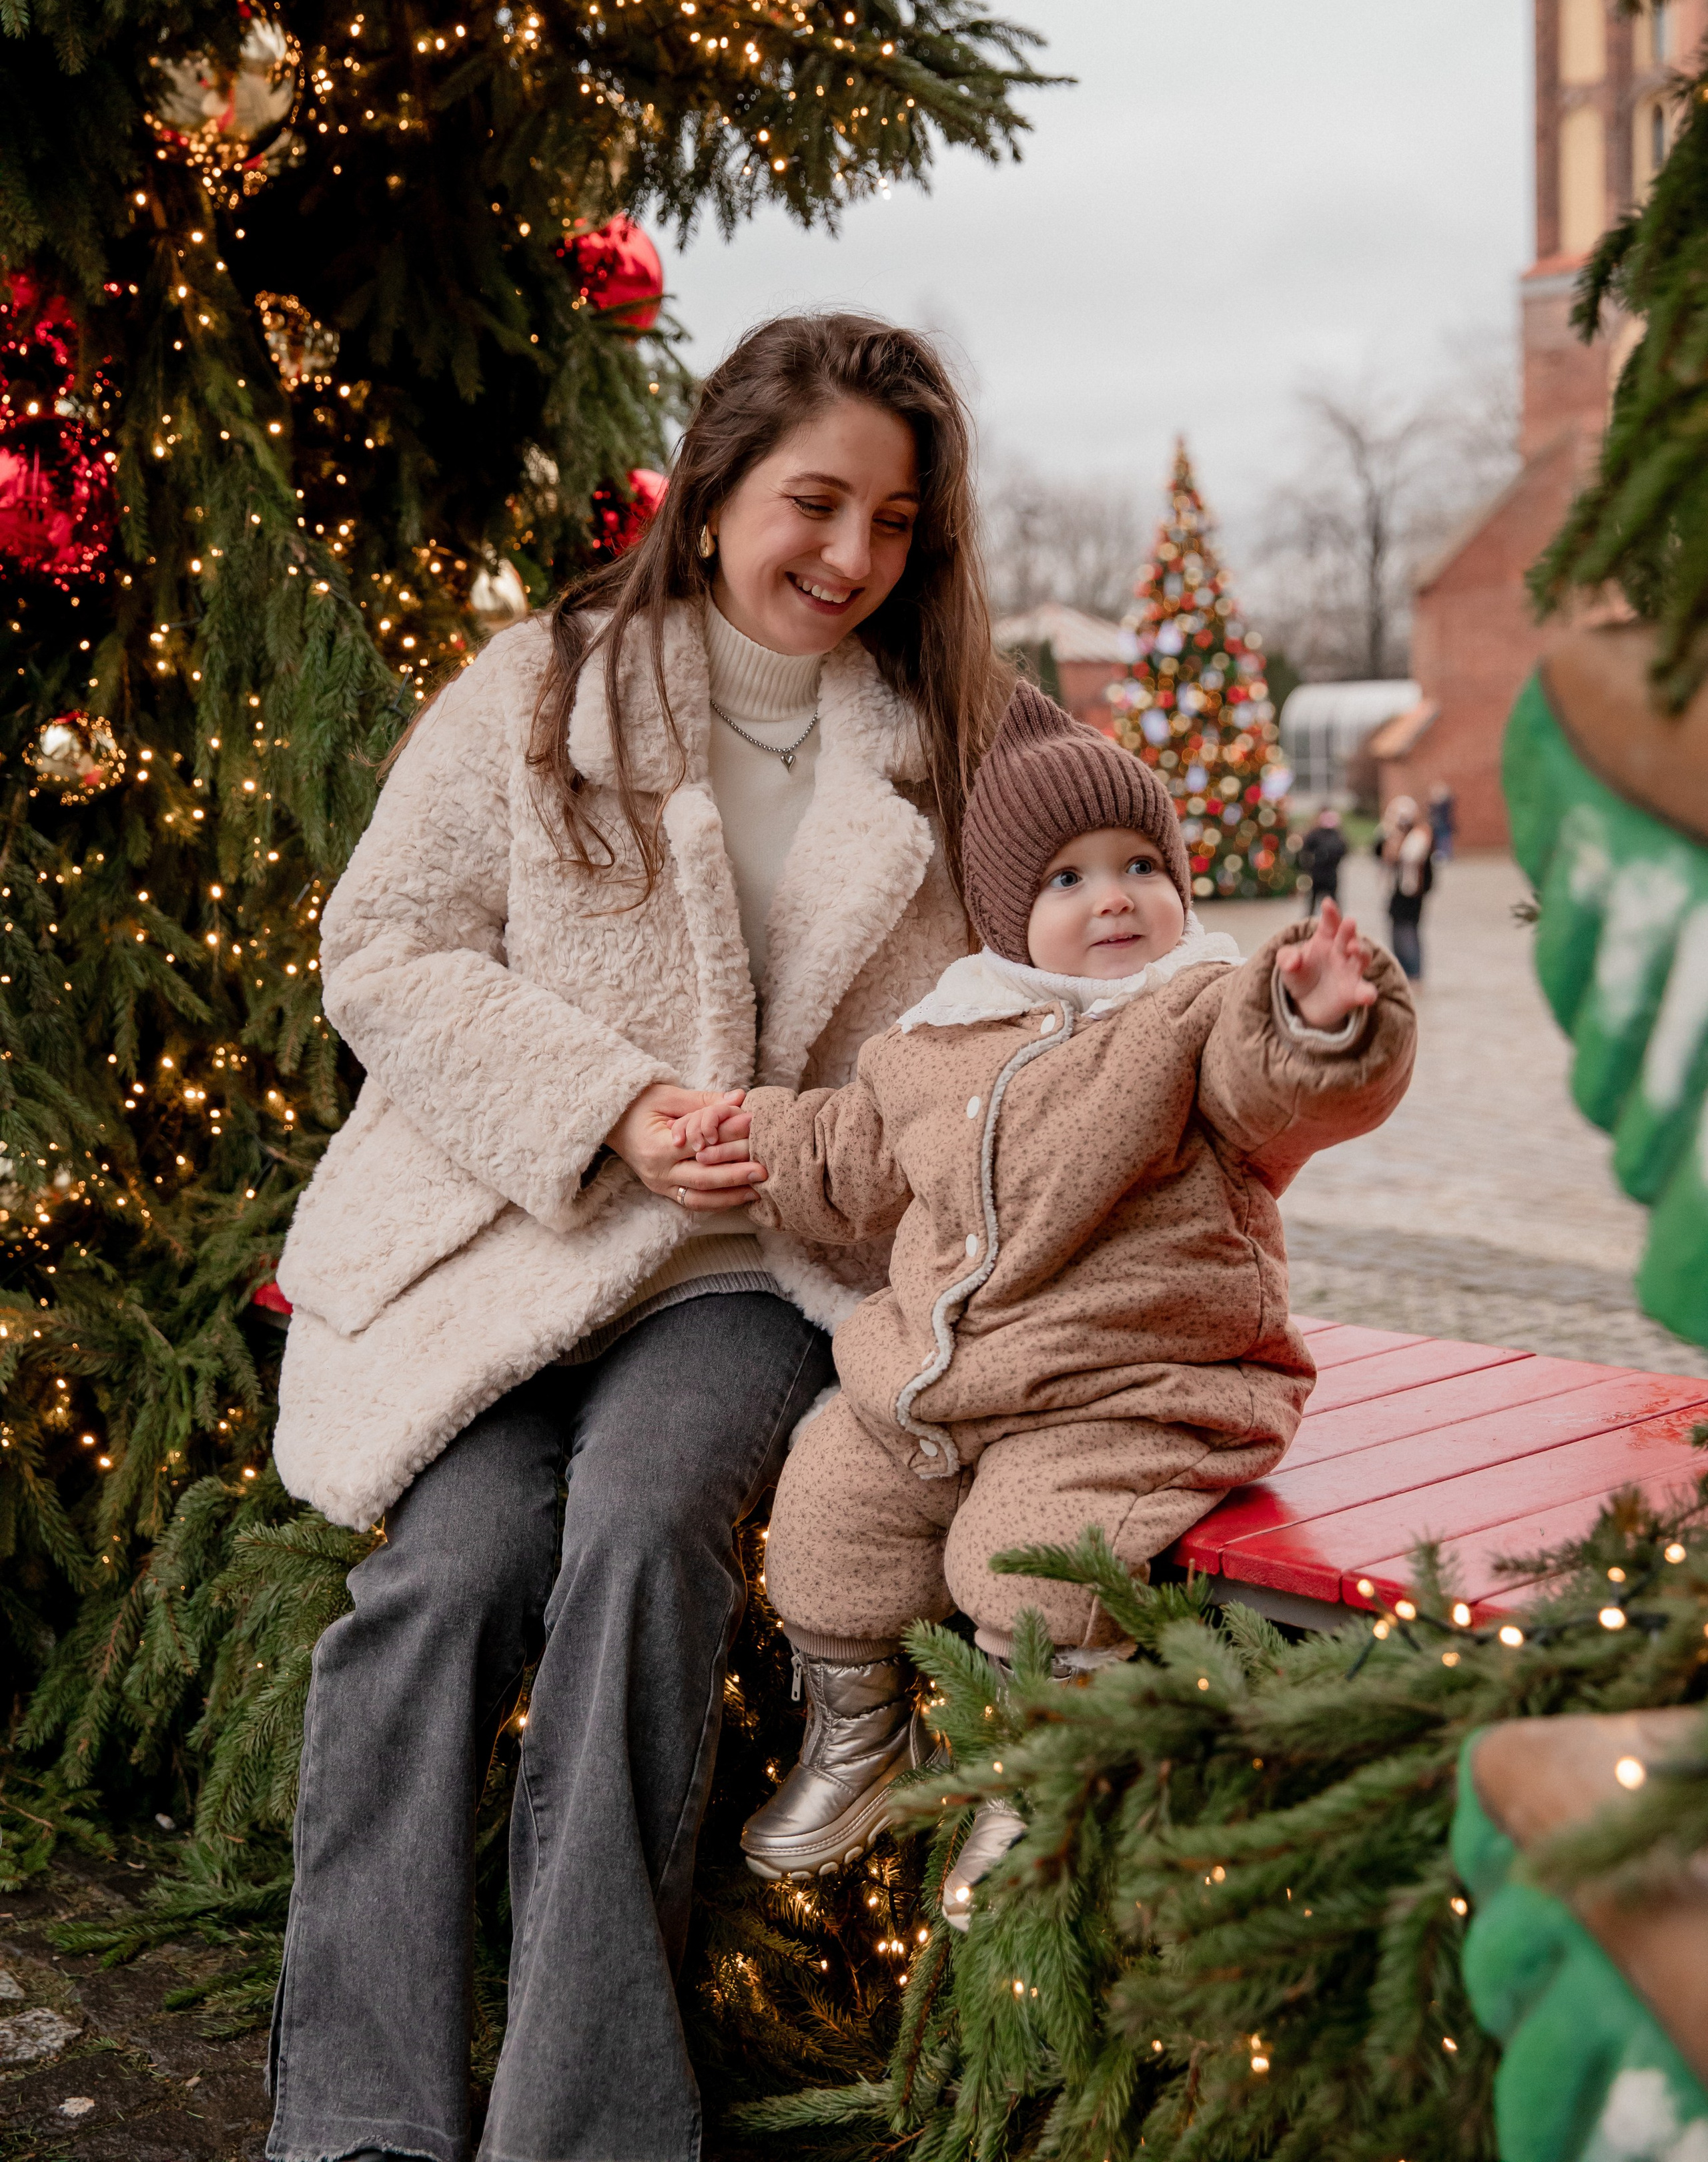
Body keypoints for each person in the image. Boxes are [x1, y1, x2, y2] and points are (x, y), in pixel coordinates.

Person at [264, 314, 1006, 2162]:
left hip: (753, 1275)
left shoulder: (947, 755)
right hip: (513, 1234)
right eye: (813, 501)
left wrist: (794, 1148)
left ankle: (579, 2125)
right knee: (438, 1587)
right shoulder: (545, 690)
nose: (849, 557)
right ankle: (362, 2125)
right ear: (716, 482)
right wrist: (605, 1105)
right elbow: (385, 946)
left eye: (894, 524)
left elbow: (995, 1037)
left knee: (646, 1533)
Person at [673, 683, 1415, 1925]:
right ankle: (859, 1739)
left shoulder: (1196, 1012)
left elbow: (1275, 1084)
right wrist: (749, 1133)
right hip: (938, 1389)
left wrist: (1320, 1021)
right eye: (1067, 880)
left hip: (1139, 1389)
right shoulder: (939, 1036)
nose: (1114, 897)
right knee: (828, 1502)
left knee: (1022, 1559)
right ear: (1008, 920)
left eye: (1139, 865)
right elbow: (850, 1153)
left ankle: (1043, 1775)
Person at [1378, 791, 1434, 982]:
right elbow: (1379, 851)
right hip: (1397, 891)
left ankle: (1413, 972)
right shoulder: (1392, 834)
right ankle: (1403, 970)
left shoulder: (1419, 835)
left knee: (1408, 931)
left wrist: (1397, 839)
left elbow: (1407, 856)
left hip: (1412, 893)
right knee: (1397, 931)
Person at [1296, 804, 1346, 915]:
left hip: (1327, 873)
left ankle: (1335, 921)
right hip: (1320, 873)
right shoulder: (1317, 834)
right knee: (1316, 902)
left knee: (1330, 902)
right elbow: (1305, 851)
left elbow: (1342, 850)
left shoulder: (1334, 834)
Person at [1428, 779, 1456, 861]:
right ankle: (1441, 854)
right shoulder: (1435, 804)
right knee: (1439, 840)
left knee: (1445, 840)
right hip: (1438, 825)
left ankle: (1447, 854)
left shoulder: (1445, 803)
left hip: (1444, 825)